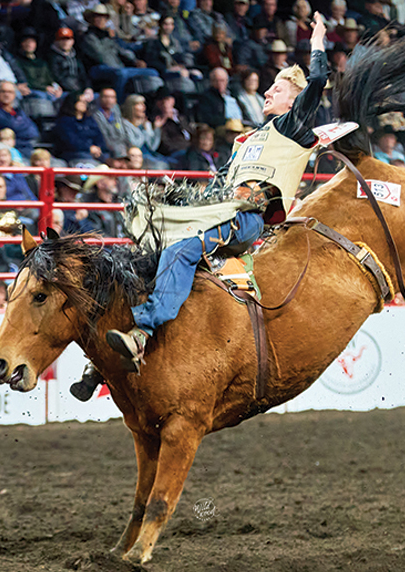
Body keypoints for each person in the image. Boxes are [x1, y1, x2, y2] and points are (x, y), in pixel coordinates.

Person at [94, 11, 330, 386]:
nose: (268, 92)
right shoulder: (247, 140)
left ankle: (141, 333)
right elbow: (220, 184)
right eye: (270, 87)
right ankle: (105, 360)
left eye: (278, 89)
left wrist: (317, 40)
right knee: (150, 251)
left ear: (295, 101)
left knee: (179, 252)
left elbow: (318, 79)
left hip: (246, 217)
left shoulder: (292, 127)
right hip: (221, 210)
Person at [0, 81, 40, 155]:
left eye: (10, 92)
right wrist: (21, 126)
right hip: (2, 153)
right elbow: (11, 126)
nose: (6, 95)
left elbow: (33, 132)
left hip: (24, 148)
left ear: (14, 95)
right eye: (3, 92)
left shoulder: (18, 111)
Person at [54, 92, 107, 165]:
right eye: (81, 101)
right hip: (74, 154)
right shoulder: (64, 121)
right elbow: (71, 141)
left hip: (93, 153)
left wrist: (98, 147)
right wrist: (89, 148)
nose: (84, 104)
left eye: (85, 102)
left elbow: (99, 136)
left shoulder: (90, 120)